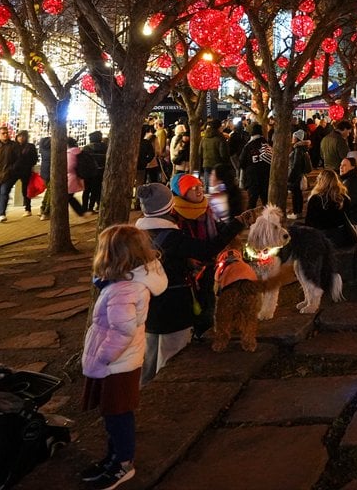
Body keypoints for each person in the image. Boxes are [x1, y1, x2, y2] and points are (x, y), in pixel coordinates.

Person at [79, 224, 167, 490]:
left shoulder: (124, 290)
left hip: (116, 364)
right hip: (121, 362)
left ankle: (122, 464)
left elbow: (123, 330)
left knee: (118, 415)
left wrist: (103, 356)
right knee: (115, 414)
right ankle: (114, 457)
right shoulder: (128, 282)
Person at [134, 182, 242, 383]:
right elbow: (207, 249)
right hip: (174, 307)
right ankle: (164, 398)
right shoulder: (171, 236)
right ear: (169, 204)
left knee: (149, 357)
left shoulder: (137, 235)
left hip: (147, 305)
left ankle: (142, 395)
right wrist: (237, 224)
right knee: (171, 358)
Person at [168, 173, 222, 340]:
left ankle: (204, 332)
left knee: (208, 299)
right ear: (182, 192)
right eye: (192, 188)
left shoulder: (208, 208)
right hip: (187, 269)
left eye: (199, 187)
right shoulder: (174, 214)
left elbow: (217, 234)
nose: (198, 191)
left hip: (209, 263)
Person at [238, 124, 272, 209]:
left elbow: (241, 162)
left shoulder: (248, 146)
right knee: (266, 201)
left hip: (253, 178)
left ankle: (250, 220)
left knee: (252, 201)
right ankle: (269, 218)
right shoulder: (267, 145)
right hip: (266, 177)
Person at [287, 130, 314, 219]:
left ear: (297, 138)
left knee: (296, 195)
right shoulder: (302, 148)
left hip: (296, 176)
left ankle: (296, 212)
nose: (292, 138)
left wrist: (290, 178)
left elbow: (296, 165)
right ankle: (299, 212)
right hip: (300, 174)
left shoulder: (298, 149)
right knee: (298, 194)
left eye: (293, 136)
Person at [81, 131, 108, 213]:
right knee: (95, 191)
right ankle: (91, 208)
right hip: (100, 172)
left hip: (88, 172)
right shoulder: (105, 147)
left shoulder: (86, 148)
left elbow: (83, 161)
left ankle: (84, 207)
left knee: (86, 190)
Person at [13, 130, 39, 215]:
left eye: (23, 136)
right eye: (19, 136)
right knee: (6, 187)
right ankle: (1, 211)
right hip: (14, 170)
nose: (21, 138)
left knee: (25, 190)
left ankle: (28, 208)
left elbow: (35, 158)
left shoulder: (30, 147)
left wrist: (28, 163)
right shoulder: (14, 146)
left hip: (25, 170)